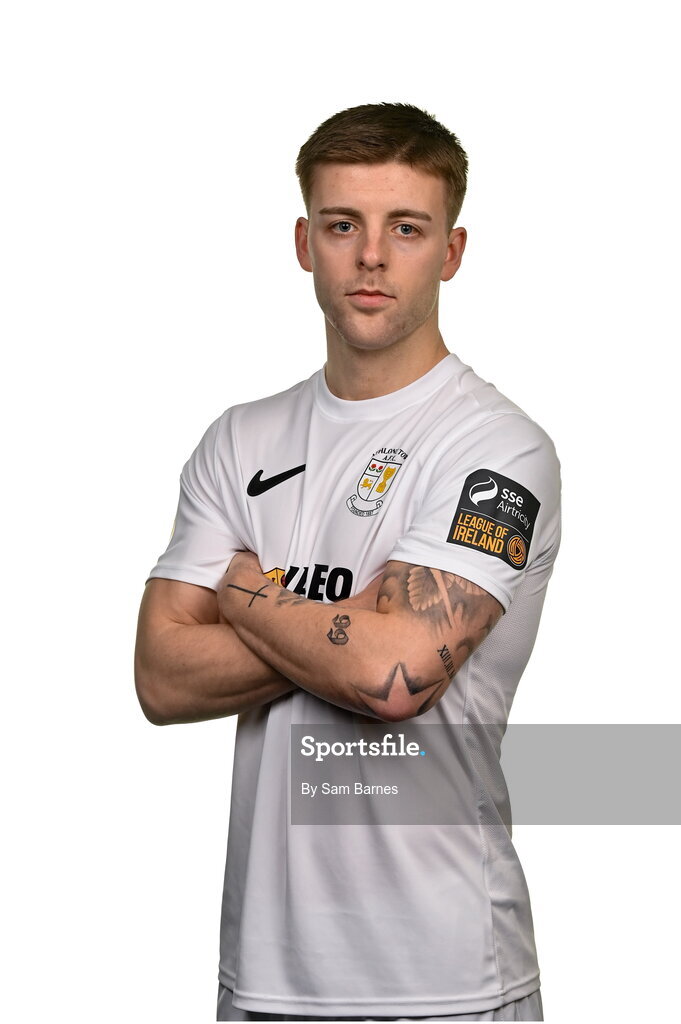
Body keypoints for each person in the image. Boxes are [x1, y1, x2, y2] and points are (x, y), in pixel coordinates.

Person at [135, 102, 560, 1022]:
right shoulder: (239, 438)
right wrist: (350, 624)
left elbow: (392, 675)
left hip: (449, 982)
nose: (371, 256)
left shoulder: (496, 451)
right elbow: (161, 679)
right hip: (265, 980)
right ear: (304, 242)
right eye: (343, 225)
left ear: (449, 251)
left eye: (405, 228)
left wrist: (243, 590)